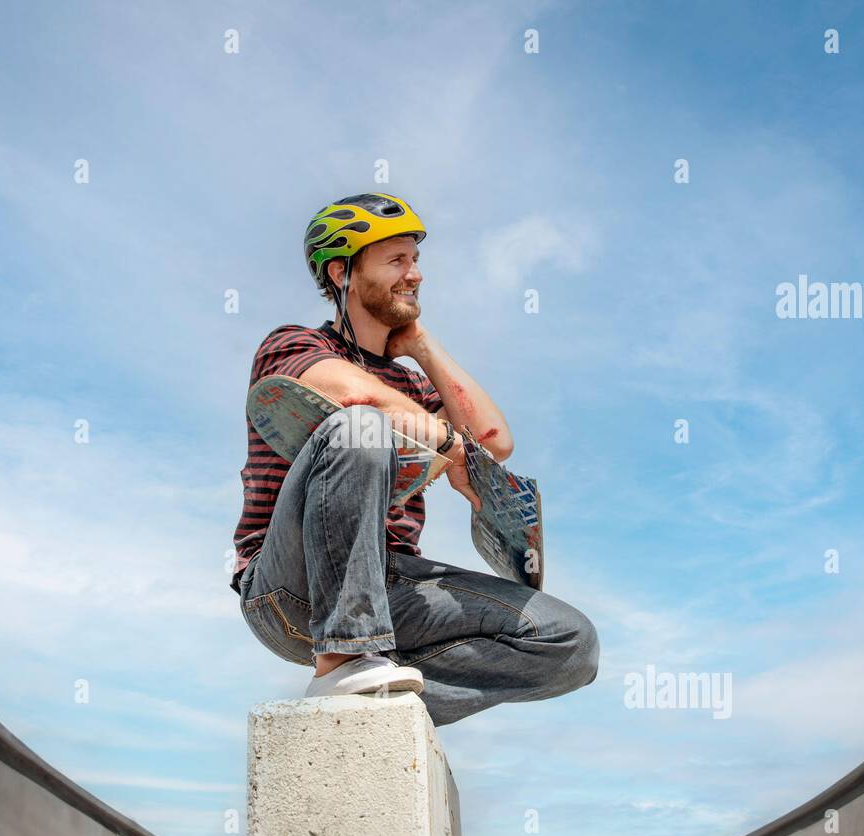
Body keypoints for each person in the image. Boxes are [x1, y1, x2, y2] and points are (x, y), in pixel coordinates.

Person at [230, 192, 598, 727]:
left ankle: (379, 704)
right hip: (289, 585)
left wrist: (421, 345)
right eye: (397, 261)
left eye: (416, 260)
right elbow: (362, 399)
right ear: (342, 272)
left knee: (570, 643)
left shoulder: (412, 385)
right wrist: (450, 446)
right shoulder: (291, 344)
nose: (415, 274)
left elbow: (494, 444)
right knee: (359, 426)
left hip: (391, 585)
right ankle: (343, 657)